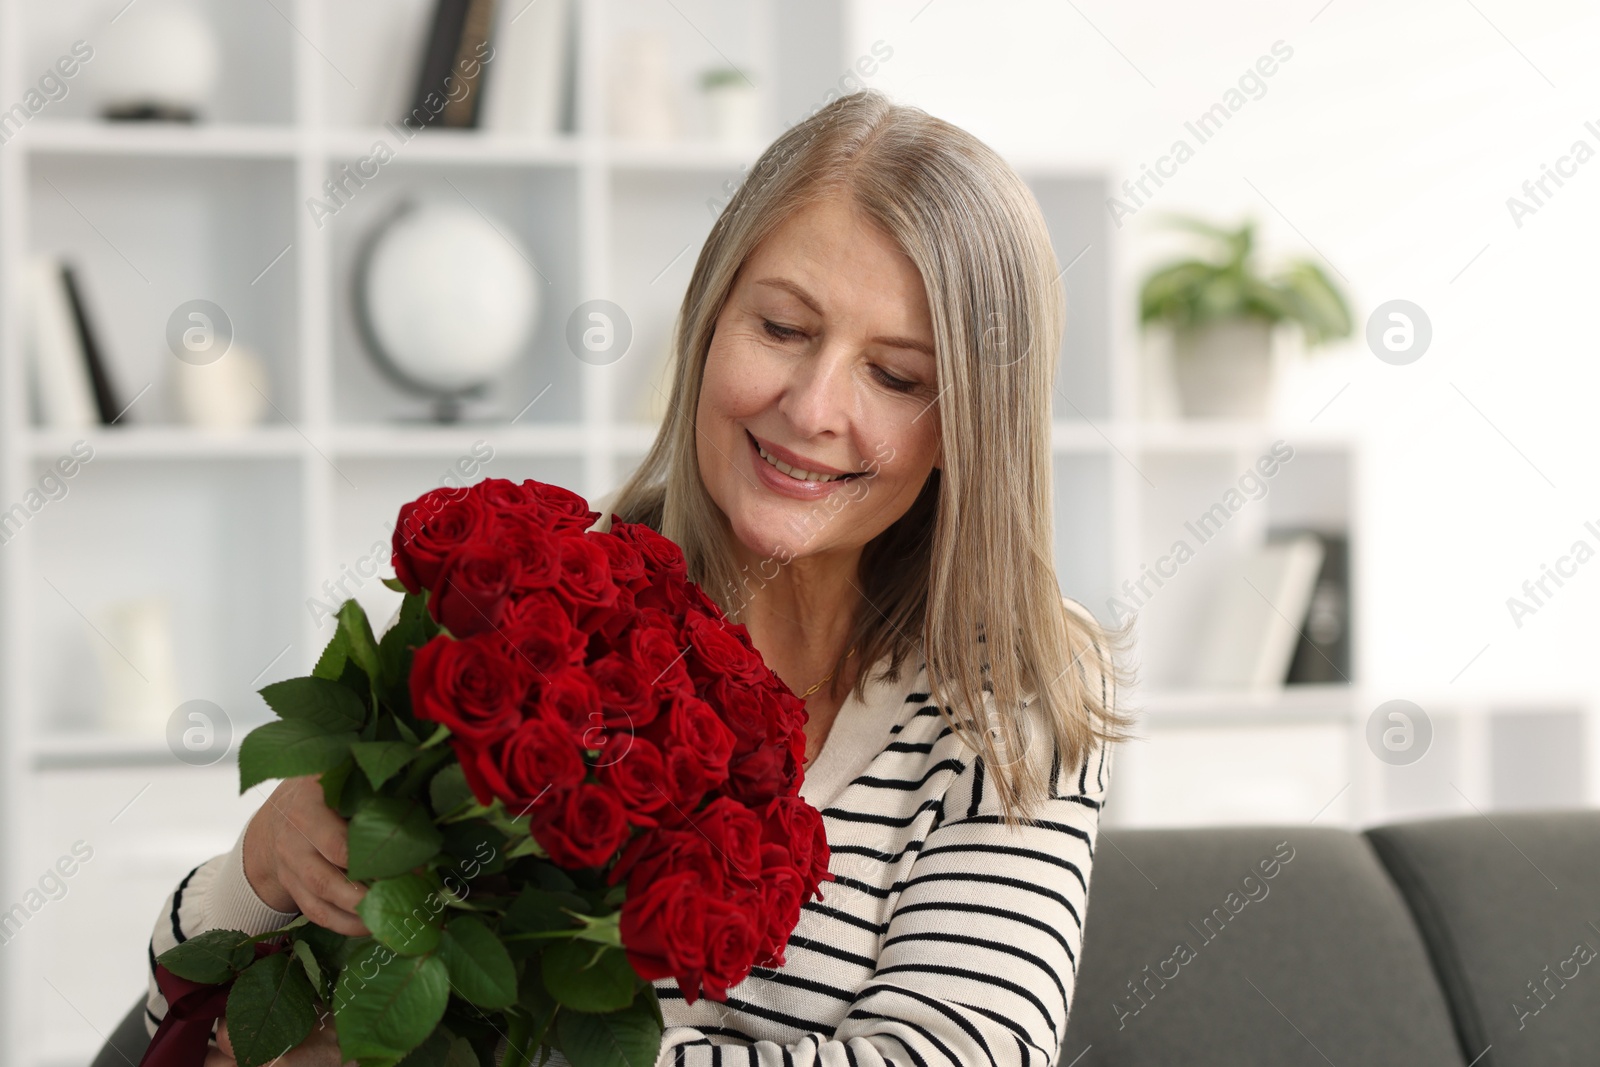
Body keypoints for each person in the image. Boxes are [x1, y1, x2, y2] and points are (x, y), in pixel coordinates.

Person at [146, 87, 1137, 1067]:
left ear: (969, 426)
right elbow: (181, 1022)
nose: (812, 405)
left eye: (897, 376)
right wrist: (267, 864)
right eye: (784, 328)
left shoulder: (1014, 681)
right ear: (710, 318)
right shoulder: (541, 609)